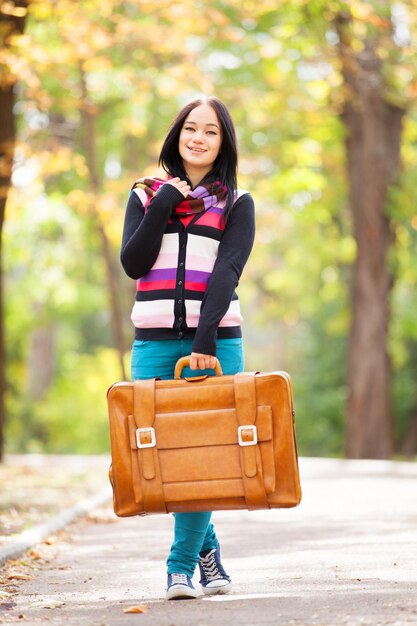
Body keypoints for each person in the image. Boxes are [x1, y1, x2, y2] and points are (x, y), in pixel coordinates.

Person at [120, 95, 255, 600]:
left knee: (207, 453)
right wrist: (160, 206)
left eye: (211, 131)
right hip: (152, 343)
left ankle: (179, 568)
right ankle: (207, 550)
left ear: (224, 143)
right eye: (190, 128)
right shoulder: (144, 193)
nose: (198, 138)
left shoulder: (238, 203)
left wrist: (205, 343)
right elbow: (134, 264)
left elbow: (227, 272)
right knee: (170, 456)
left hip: (216, 343)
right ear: (177, 134)